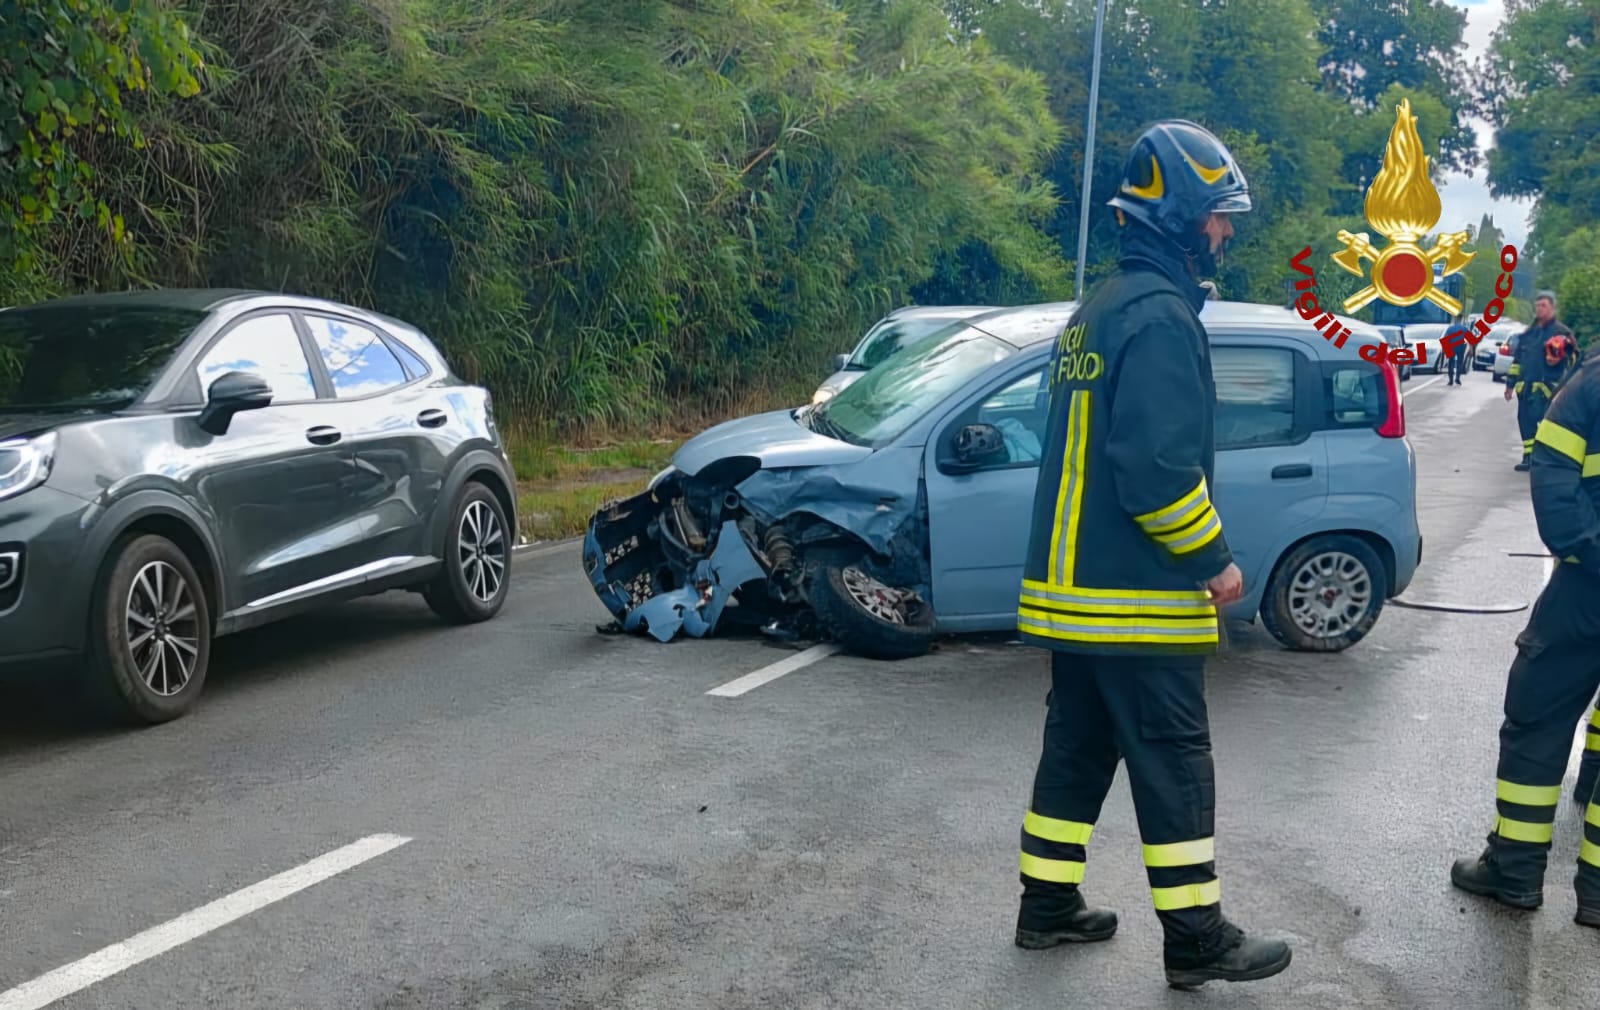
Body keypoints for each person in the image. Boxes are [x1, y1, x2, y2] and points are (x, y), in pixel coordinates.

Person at [1011, 119, 1291, 989]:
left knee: (1078, 751)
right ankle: (1197, 938)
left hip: (1073, 596)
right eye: (1216, 215)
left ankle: (1047, 906)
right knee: (1173, 763)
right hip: (1135, 596)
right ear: (1177, 217)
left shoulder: (1098, 308)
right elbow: (1157, 475)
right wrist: (1216, 561)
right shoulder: (1163, 320)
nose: (1225, 231)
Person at [1450, 351, 1600, 928]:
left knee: (1538, 717)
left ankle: (1514, 872)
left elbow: (1556, 485)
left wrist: (1589, 552)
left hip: (1587, 588)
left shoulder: (1590, 386)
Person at [1507, 292, 1577, 470]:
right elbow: (1517, 361)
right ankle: (1528, 457)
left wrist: (1560, 358)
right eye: (1537, 306)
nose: (1540, 309)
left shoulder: (1562, 332)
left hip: (1549, 388)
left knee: (1550, 424)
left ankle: (1551, 459)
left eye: (1543, 306)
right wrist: (1510, 384)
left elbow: (1575, 358)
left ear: (1552, 308)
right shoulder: (1529, 334)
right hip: (1526, 387)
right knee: (1525, 421)